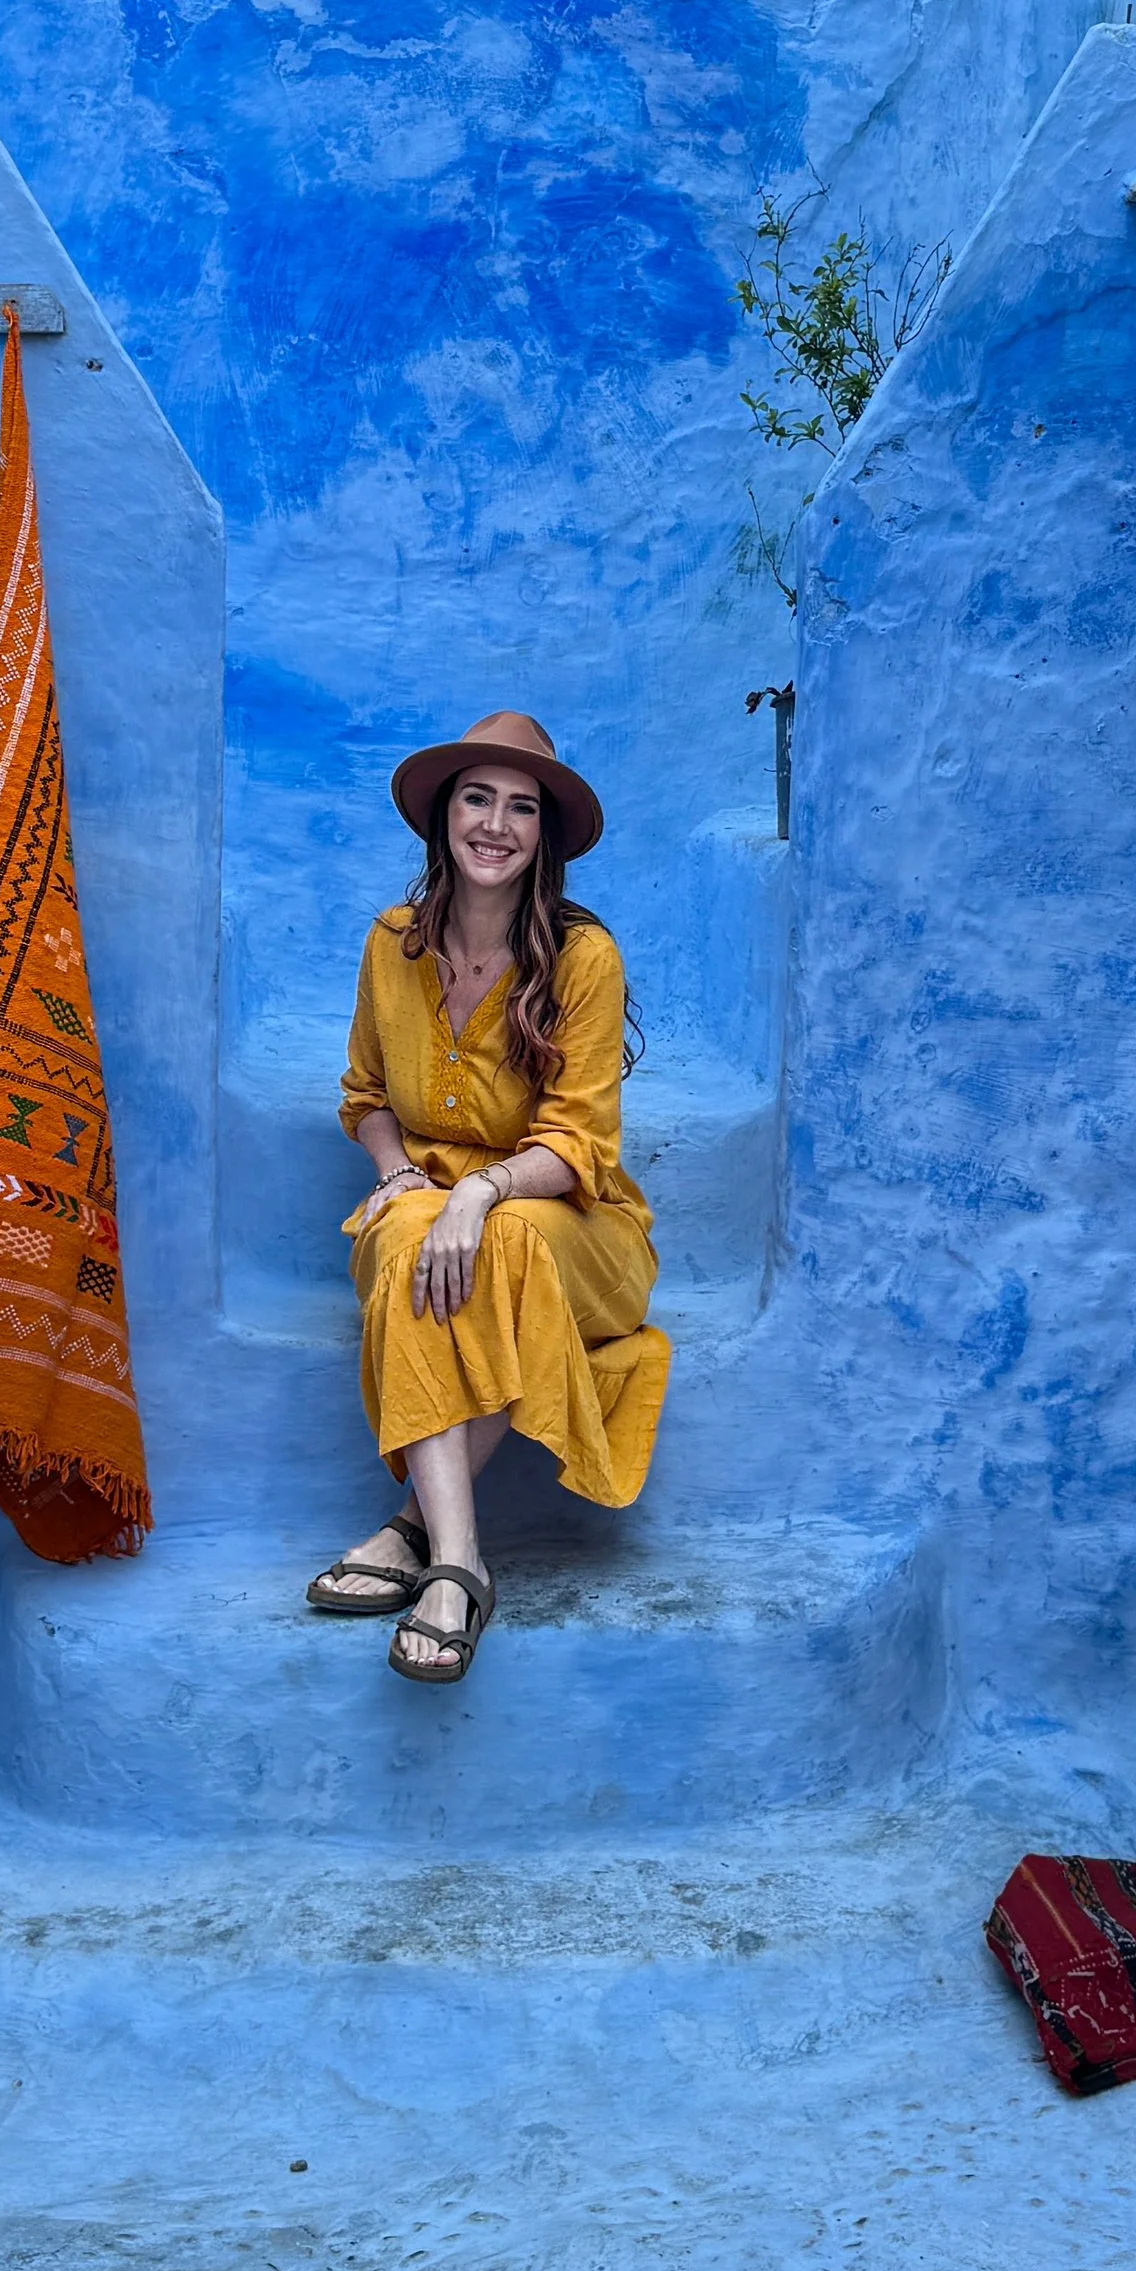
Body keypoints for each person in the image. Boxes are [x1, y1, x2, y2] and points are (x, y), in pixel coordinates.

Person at [308, 710, 670, 1681]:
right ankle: (459, 1565)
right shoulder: (393, 943)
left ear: (543, 834)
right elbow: (367, 1099)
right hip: (430, 1187)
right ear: (444, 816)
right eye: (478, 797)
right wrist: (397, 1174)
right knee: (407, 1229)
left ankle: (409, 1531)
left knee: (494, 1237)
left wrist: (482, 1193)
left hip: (577, 1223)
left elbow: (577, 1142)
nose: (496, 824)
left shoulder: (583, 958)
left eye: (521, 807)